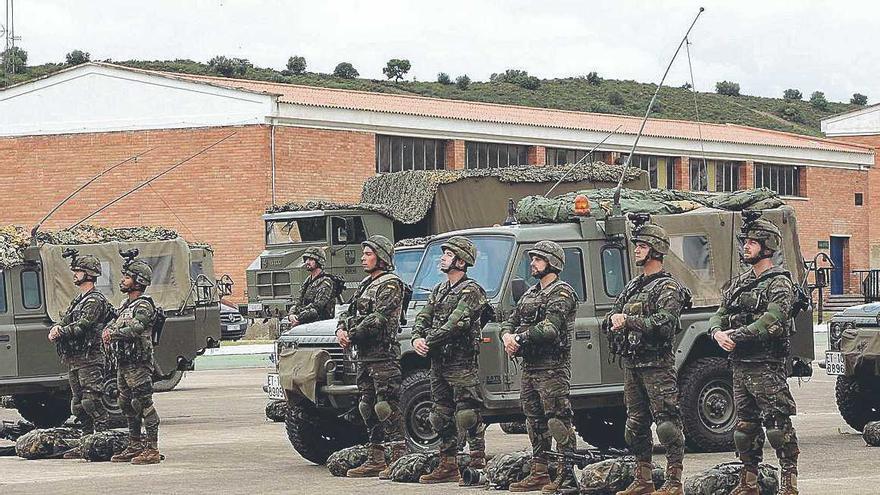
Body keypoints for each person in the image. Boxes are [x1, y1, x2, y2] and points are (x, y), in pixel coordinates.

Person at [709, 216, 800, 495]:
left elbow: (770, 321)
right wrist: (715, 332)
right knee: (744, 429)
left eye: (752, 242)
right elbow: (719, 314)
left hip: (767, 366)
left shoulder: (780, 284)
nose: (746, 247)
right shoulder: (738, 284)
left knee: (777, 426)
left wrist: (733, 336)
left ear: (768, 246)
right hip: (741, 367)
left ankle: (789, 483)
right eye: (745, 242)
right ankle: (748, 482)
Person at [605, 218, 689, 495]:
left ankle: (674, 481)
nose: (637, 250)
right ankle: (643, 479)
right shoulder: (633, 286)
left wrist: (628, 320)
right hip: (633, 364)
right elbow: (612, 315)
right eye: (637, 245)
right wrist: (615, 320)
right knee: (635, 425)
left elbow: (664, 323)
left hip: (657, 365)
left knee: (667, 424)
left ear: (655, 250)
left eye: (642, 245)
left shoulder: (667, 287)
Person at [500, 240, 579, 493]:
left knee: (558, 420)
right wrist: (506, 337)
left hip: (552, 368)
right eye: (532, 259)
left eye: (538, 259)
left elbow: (550, 328)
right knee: (533, 421)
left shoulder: (562, 293)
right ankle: (540, 471)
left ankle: (567, 476)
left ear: (552, 263)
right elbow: (509, 321)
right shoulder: (530, 293)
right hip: (530, 367)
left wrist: (518, 338)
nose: (532, 263)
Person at [411, 236, 488, 484]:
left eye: (447, 254)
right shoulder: (439, 289)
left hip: (461, 362)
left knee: (468, 413)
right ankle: (448, 464)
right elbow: (424, 315)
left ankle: (477, 462)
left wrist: (427, 341)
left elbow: (454, 324)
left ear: (461, 261)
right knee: (440, 414)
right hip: (439, 363)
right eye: (443, 254)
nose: (442, 258)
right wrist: (416, 338)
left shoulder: (472, 291)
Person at [336, 235, 407, 478]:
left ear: (382, 257)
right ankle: (375, 457)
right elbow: (347, 312)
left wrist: (351, 334)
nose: (363, 258)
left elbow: (379, 320)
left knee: (386, 406)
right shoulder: (366, 283)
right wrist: (341, 330)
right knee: (367, 407)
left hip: (383, 356)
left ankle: (399, 457)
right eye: (364, 253)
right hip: (365, 357)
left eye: (368, 254)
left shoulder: (390, 284)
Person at [49, 250, 112, 459]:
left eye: (78, 271)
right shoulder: (79, 299)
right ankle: (86, 443)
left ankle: (103, 440)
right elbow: (67, 318)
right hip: (75, 359)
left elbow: (83, 326)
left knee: (92, 401)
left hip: (90, 358)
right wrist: (58, 326)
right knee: (78, 404)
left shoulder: (94, 301)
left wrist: (61, 331)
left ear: (89, 274)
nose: (74, 274)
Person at [103, 253, 162, 465]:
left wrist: (114, 334)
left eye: (127, 277)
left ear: (138, 282)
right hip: (124, 363)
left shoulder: (143, 306)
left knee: (144, 403)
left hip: (138, 363)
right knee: (125, 403)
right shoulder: (125, 305)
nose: (122, 280)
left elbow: (137, 328)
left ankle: (152, 449)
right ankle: (135, 444)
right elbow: (113, 322)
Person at [287, 247, 336, 326]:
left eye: (310, 259)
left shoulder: (326, 282)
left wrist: (299, 317)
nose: (307, 262)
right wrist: (291, 315)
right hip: (305, 320)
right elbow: (298, 302)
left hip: (321, 323)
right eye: (306, 259)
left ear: (319, 261)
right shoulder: (307, 281)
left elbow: (318, 306)